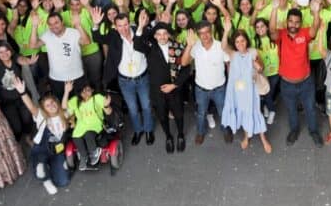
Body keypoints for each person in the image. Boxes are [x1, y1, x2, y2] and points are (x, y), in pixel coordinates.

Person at [92, 8, 155, 146]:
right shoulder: (113, 35)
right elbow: (97, 38)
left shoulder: (140, 30)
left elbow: (149, 46)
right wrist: (95, 25)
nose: (124, 28)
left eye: (126, 24)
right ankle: (138, 131)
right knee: (132, 108)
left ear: (129, 22)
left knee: (146, 106)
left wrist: (140, 28)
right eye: (120, 26)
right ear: (115, 26)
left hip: (143, 78)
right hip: (125, 81)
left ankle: (149, 129)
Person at [268, 0, 324, 147]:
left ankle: (314, 131)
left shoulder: (305, 33)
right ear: (287, 22)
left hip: (306, 82)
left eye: (297, 22)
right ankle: (294, 130)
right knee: (291, 110)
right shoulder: (280, 34)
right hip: (287, 84)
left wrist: (316, 13)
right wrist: (274, 9)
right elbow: (272, 30)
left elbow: (315, 29)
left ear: (300, 23)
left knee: (310, 108)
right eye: (291, 21)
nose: (294, 24)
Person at [136, 19, 191, 153]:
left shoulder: (178, 47)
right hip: (157, 90)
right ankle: (168, 136)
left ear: (169, 34)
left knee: (178, 114)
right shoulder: (150, 47)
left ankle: (180, 134)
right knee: (162, 115)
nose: (162, 37)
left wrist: (174, 85)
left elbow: (186, 69)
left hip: (174, 89)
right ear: (155, 36)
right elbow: (137, 45)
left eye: (165, 33)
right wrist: (140, 27)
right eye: (159, 34)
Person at [219, 17, 273, 153]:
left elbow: (261, 68)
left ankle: (263, 139)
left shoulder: (253, 52)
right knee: (242, 112)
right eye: (237, 41)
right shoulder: (233, 54)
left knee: (255, 112)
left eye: (242, 40)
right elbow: (223, 46)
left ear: (246, 41)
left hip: (251, 90)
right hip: (237, 91)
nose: (240, 43)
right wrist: (226, 31)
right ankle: (246, 137)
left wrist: (258, 66)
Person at [180, 20, 234, 146]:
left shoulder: (221, 46)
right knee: (201, 113)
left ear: (212, 32)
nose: (205, 36)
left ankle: (226, 130)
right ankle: (200, 132)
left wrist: (231, 81)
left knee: (223, 112)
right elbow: (184, 63)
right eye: (201, 33)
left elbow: (228, 63)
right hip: (201, 89)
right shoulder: (195, 46)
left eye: (207, 32)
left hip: (219, 88)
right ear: (198, 35)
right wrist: (189, 46)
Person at [13, 77, 70, 194]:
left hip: (57, 150)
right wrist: (22, 92)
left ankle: (51, 166)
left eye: (53, 103)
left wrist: (67, 91)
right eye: (48, 105)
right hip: (41, 149)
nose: (52, 105)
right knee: (40, 169)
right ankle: (46, 179)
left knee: (63, 181)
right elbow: (31, 107)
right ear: (44, 109)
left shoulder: (63, 114)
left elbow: (64, 105)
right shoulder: (41, 116)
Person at [28, 11, 89, 99]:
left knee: (81, 105)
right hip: (56, 79)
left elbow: (86, 42)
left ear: (62, 21)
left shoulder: (74, 32)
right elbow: (33, 46)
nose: (53, 26)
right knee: (61, 106)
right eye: (50, 24)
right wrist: (34, 26)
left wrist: (78, 25)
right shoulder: (47, 35)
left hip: (77, 77)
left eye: (56, 23)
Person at [62, 80, 108, 170]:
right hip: (81, 126)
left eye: (87, 90)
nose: (85, 93)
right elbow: (64, 108)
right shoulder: (75, 100)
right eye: (82, 91)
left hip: (95, 124)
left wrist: (107, 105)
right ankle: (84, 156)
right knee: (75, 136)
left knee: (88, 134)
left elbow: (108, 109)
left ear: (92, 90)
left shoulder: (96, 98)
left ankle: (94, 152)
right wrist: (66, 91)